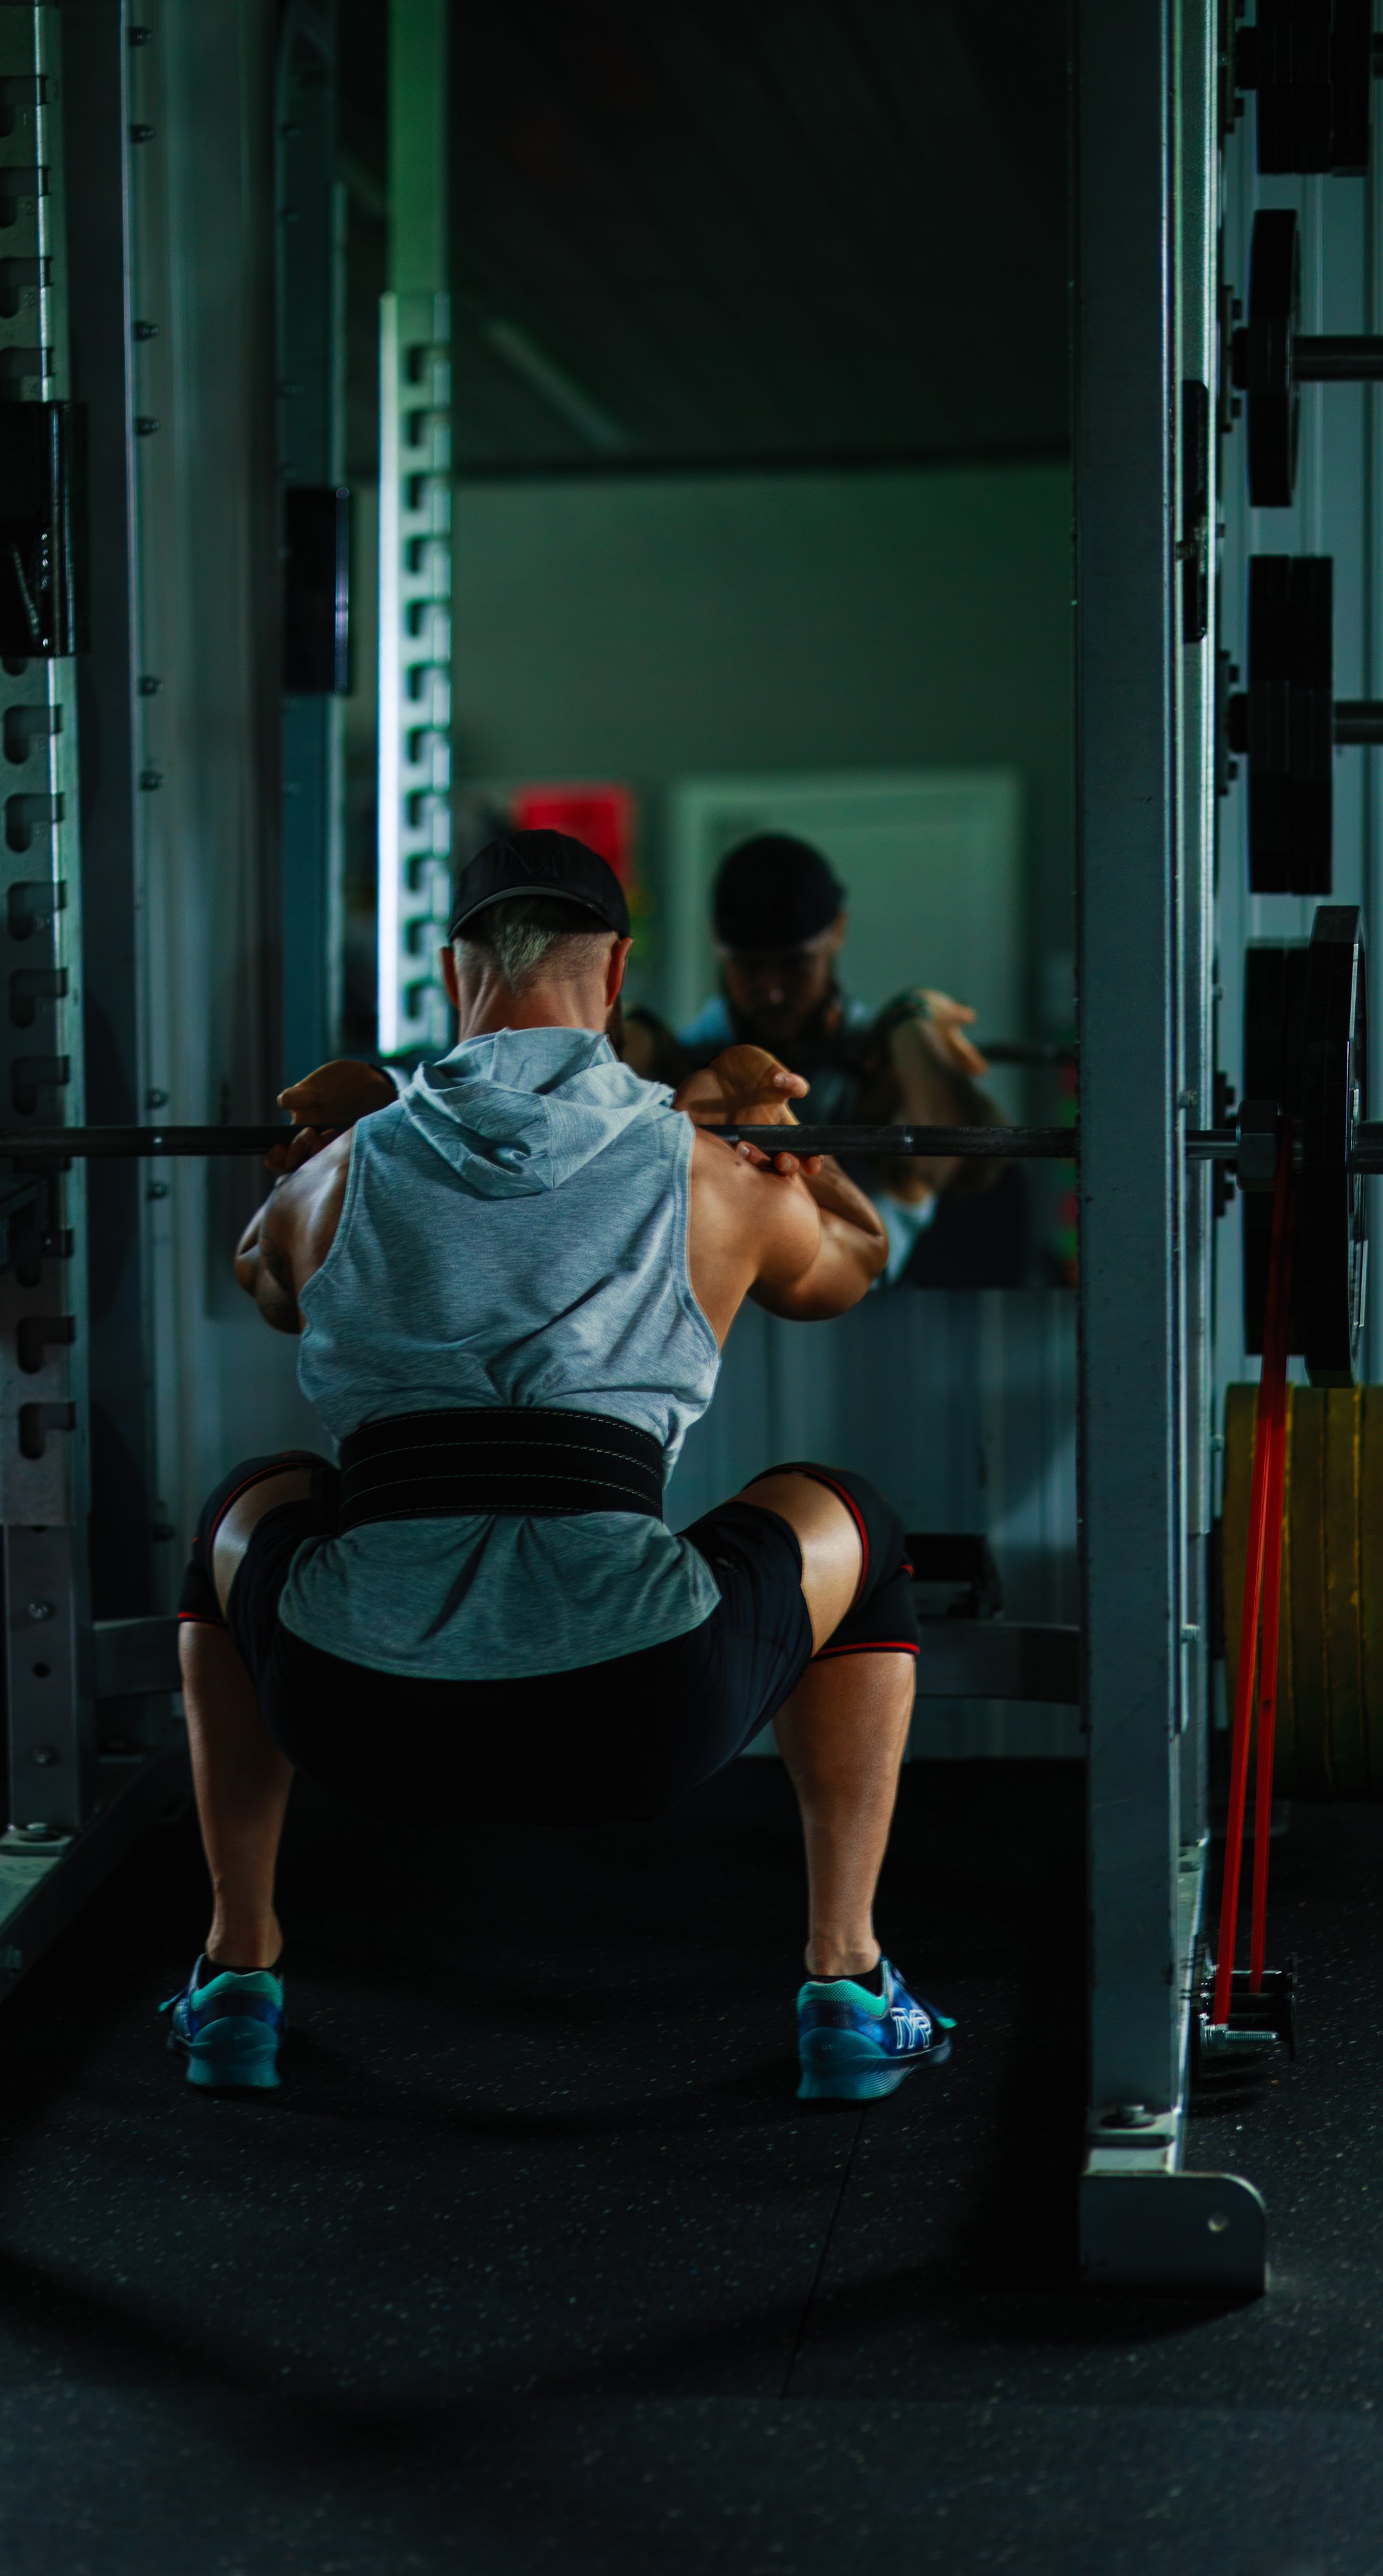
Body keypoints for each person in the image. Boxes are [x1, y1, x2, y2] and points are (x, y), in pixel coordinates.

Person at [166, 829, 954, 2107]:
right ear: (619, 972)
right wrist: (778, 1142)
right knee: (850, 1519)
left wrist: (328, 1134)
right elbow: (853, 1269)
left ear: (450, 969)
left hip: (358, 1712)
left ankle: (235, 1974)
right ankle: (849, 1986)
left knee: (239, 1510)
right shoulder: (713, 1177)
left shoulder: (337, 1180)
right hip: (641, 1711)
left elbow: (264, 1276)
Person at [622, 831, 1008, 1283]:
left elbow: (963, 1167)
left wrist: (912, 1025)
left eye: (794, 964)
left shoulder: (883, 1063)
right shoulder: (675, 1057)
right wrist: (630, 1033)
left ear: (838, 931)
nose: (771, 990)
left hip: (848, 1321)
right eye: (749, 967)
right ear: (718, 945)